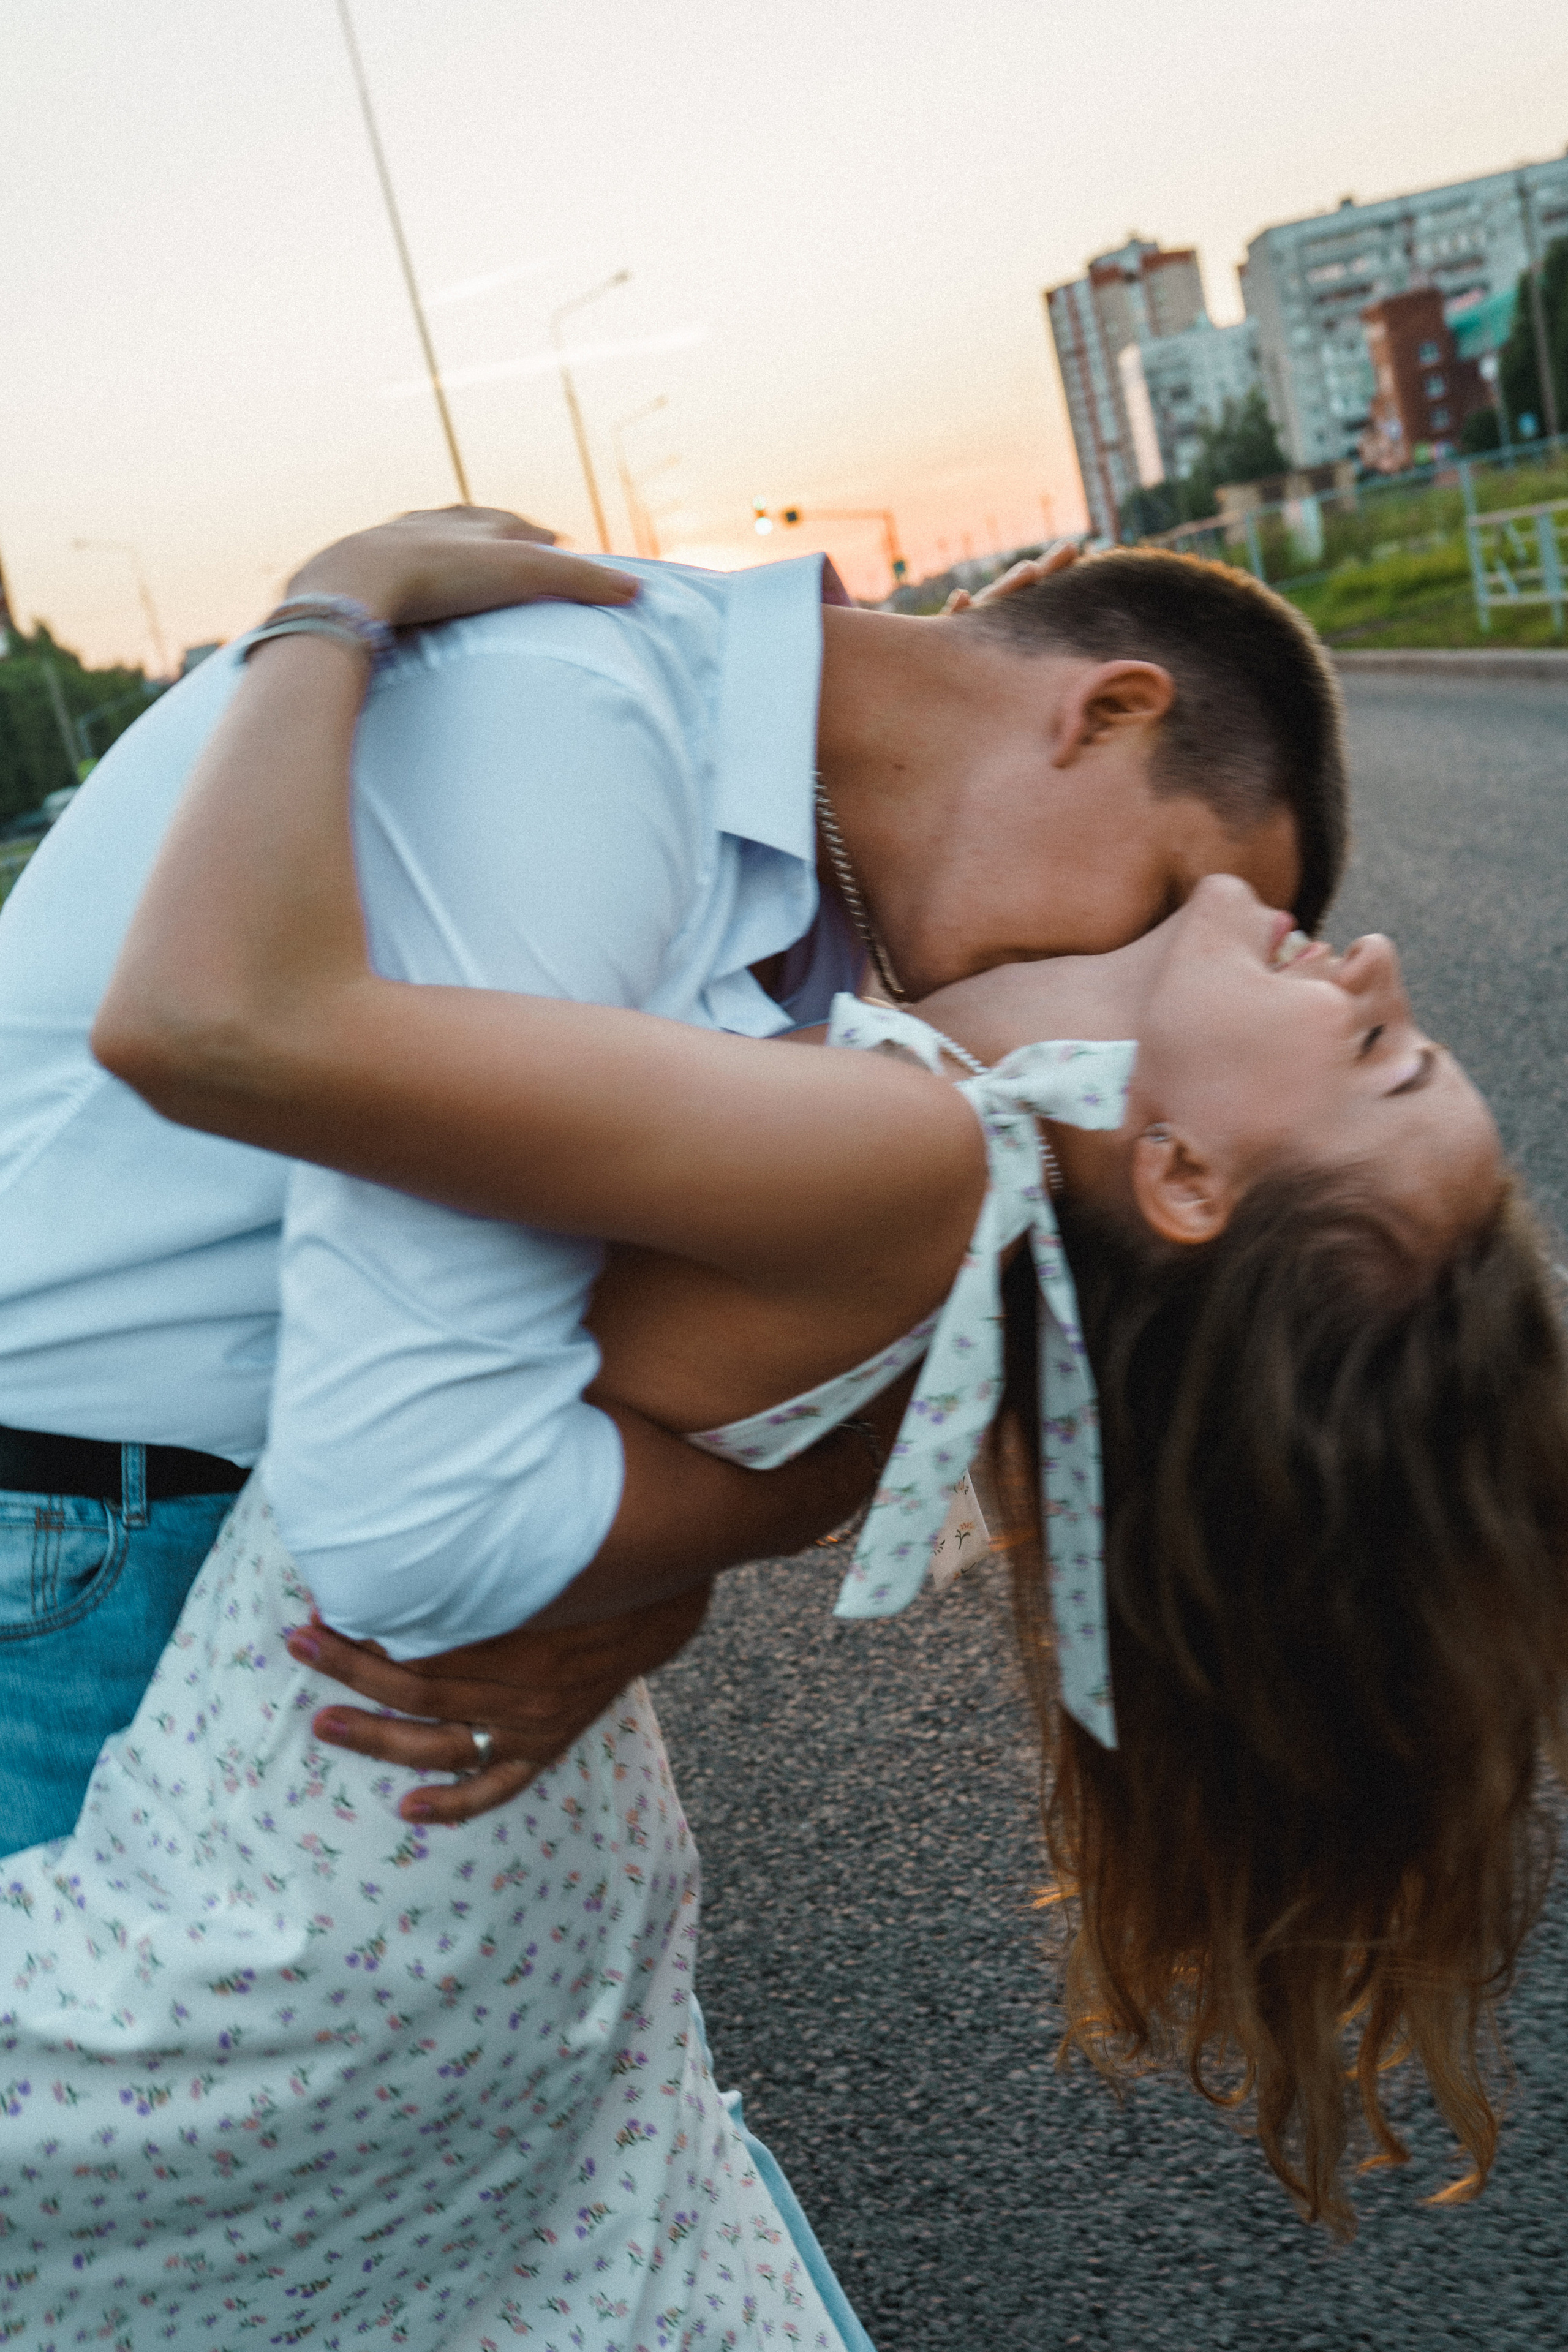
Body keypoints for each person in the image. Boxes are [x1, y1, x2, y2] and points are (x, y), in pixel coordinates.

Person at [88, 511, 1568, 2261]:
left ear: (1181, 1180)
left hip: (303, 1889)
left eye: (1386, 1058)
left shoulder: (919, 1145)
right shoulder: (897, 1101)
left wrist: (334, 598)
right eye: (1173, 886)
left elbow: (223, 1034)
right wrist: (673, 1571)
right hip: (465, 1889)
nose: (1364, 958)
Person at [0, 510, 1346, 1849]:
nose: (1137, 994)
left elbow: (617, 1331)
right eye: (1163, 903)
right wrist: (717, 1534)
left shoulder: (814, 894)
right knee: (106, 2049)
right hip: (85, 1516)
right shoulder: (581, 717)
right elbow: (439, 1464)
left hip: (226, 1508)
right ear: (1106, 712)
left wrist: (652, 1581)